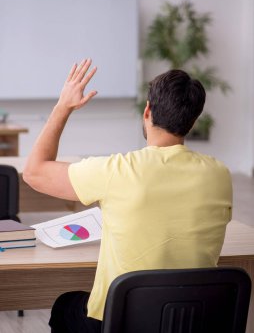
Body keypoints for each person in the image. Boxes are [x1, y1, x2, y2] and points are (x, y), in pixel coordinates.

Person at [23, 58, 232, 333]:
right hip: (193, 320)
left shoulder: (116, 170)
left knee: (66, 306)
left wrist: (63, 106)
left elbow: (34, 172)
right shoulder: (220, 175)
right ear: (192, 122)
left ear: (147, 111)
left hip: (122, 322)